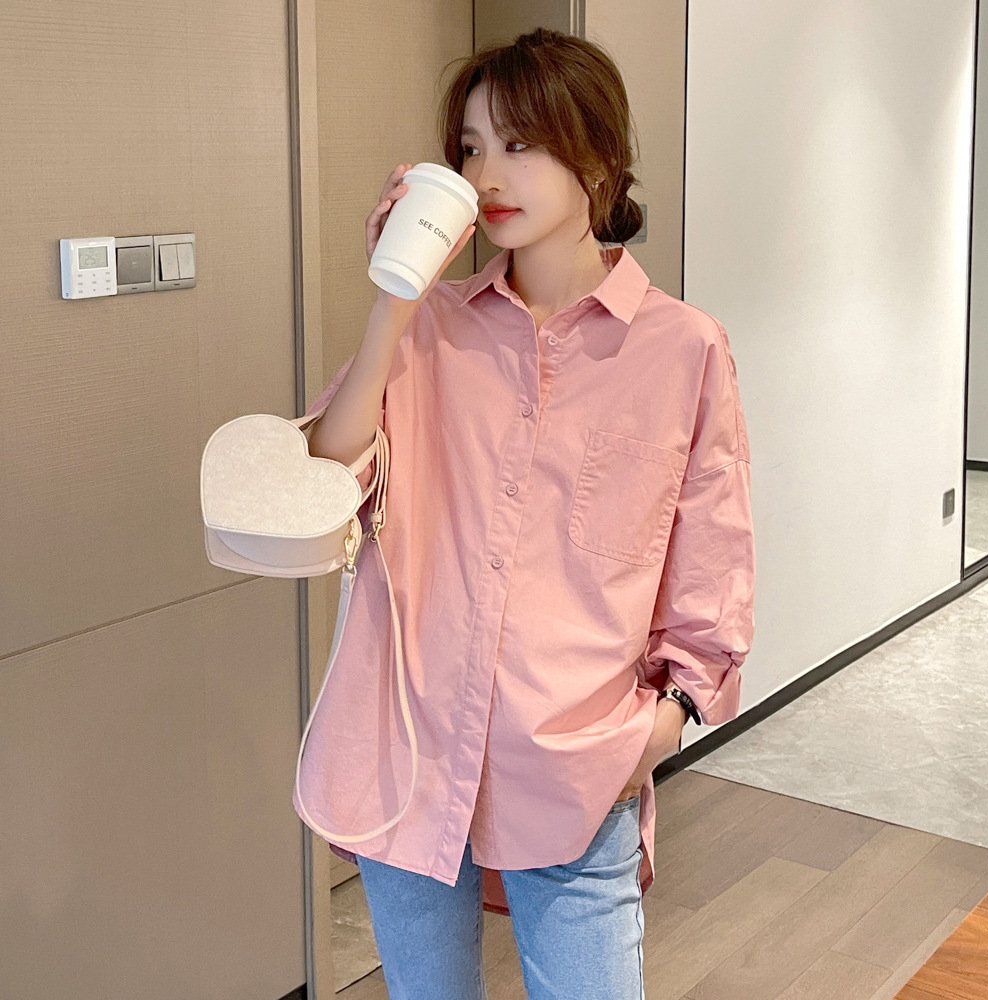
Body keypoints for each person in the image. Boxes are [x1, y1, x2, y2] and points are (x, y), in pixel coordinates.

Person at [293, 27, 755, 1000]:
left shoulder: (683, 348)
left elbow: (711, 564)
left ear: (598, 156)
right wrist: (393, 302)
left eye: (519, 143)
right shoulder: (429, 330)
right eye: (469, 148)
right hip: (407, 747)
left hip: (575, 763)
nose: (487, 175)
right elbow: (328, 475)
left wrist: (661, 726)